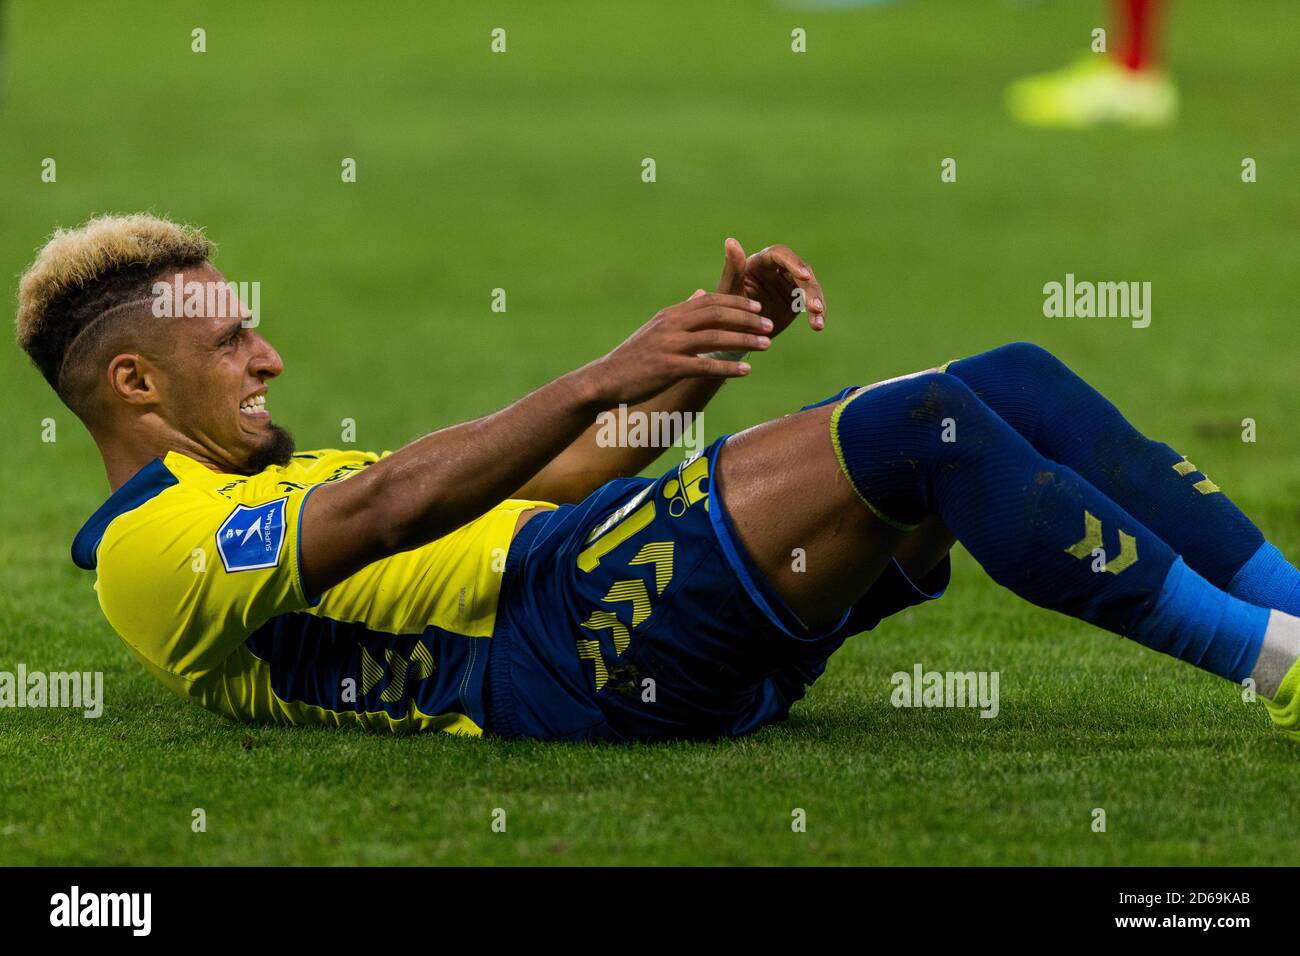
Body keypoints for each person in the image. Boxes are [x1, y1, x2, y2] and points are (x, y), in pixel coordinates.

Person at [18, 213, 1300, 742]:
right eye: (230, 341)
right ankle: (1274, 662)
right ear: (135, 387)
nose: (269, 356)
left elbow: (571, 475)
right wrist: (595, 369)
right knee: (927, 426)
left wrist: (692, 363)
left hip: (593, 583)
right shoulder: (149, 551)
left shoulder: (275, 476)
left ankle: (1290, 604)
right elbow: (392, 504)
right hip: (559, 655)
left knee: (1006, 379)